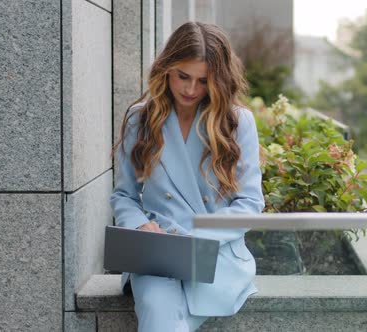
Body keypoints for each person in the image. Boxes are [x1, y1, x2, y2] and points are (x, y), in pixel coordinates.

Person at [109, 21, 264, 332]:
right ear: (166, 68)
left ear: (218, 81)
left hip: (216, 252)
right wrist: (141, 226)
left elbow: (249, 202)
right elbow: (124, 195)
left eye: (203, 81)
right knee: (156, 306)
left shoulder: (237, 123)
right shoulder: (141, 118)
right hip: (157, 251)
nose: (191, 90)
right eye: (183, 76)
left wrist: (199, 239)